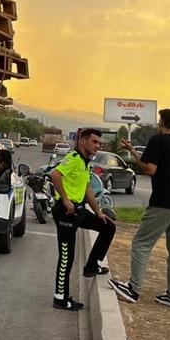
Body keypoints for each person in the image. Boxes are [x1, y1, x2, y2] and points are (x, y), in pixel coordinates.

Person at [108, 110, 170, 308]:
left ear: (162, 122)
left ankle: (133, 289)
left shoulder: (159, 140)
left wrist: (135, 155)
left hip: (163, 202)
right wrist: (133, 150)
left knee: (142, 243)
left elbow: (150, 169)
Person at [48, 128, 116, 311]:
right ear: (83, 142)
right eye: (94, 142)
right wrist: (65, 200)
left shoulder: (85, 162)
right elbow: (55, 174)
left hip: (79, 211)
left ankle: (92, 265)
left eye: (99, 143)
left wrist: (98, 212)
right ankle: (60, 298)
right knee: (67, 256)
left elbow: (87, 190)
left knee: (108, 227)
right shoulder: (74, 158)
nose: (98, 145)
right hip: (66, 212)